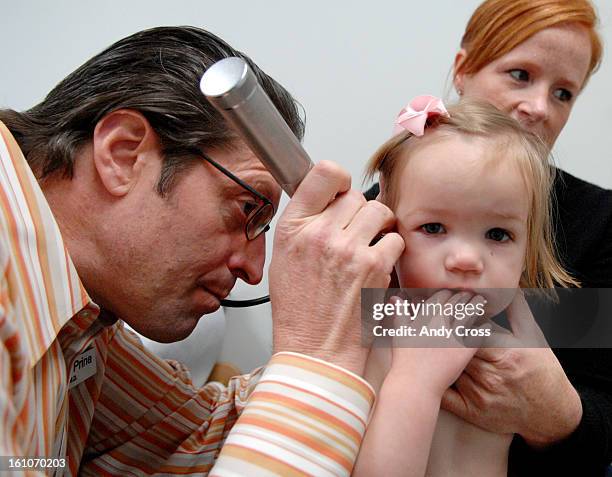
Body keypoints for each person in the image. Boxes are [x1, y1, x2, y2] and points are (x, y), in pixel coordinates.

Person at [0, 26, 409, 475]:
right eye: (246, 210)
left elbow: (193, 439)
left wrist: (473, 322)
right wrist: (317, 354)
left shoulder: (76, 319)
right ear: (122, 154)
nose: (255, 270)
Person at [364, 1, 612, 474]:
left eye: (564, 93)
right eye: (520, 74)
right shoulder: (379, 232)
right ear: (463, 70)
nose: (539, 107)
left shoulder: (600, 221)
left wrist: (559, 412)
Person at [355, 96, 578, 476]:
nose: (467, 259)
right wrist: (416, 383)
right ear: (388, 230)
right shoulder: (375, 336)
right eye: (434, 228)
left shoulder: (520, 354)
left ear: (528, 250)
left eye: (498, 234)